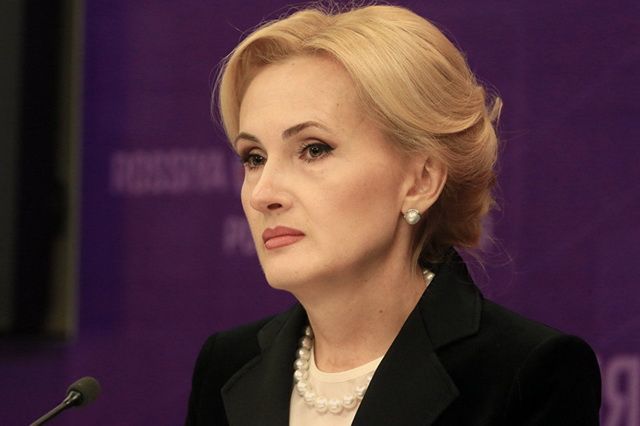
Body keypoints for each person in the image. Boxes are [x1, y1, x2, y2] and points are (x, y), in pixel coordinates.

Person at [186, 4, 601, 425]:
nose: (263, 194)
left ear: (421, 181)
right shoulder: (226, 365)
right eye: (254, 158)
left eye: (314, 149)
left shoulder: (525, 374)